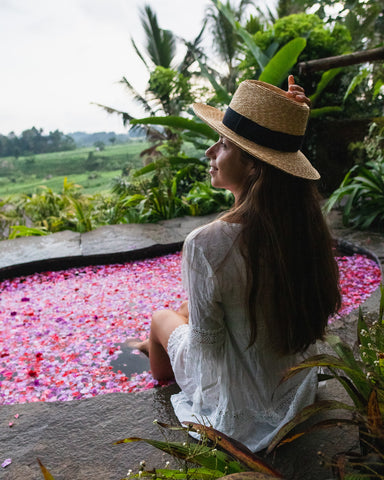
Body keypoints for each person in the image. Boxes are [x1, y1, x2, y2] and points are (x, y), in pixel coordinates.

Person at [131, 75, 341, 452]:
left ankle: (151, 344)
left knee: (162, 318)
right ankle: (158, 337)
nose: (211, 151)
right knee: (189, 308)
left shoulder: (207, 244)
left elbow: (207, 354)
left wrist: (180, 330)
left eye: (224, 143)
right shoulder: (304, 226)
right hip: (294, 388)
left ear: (255, 168)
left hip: (241, 408)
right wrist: (286, 117)